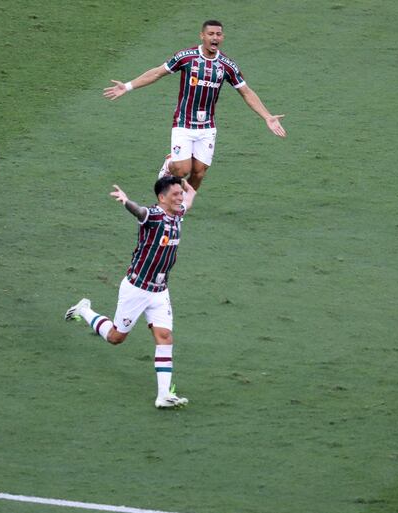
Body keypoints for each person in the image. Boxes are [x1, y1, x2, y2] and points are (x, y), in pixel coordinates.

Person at [103, 19, 286, 191]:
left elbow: (246, 92)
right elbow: (157, 73)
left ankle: (182, 205)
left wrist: (267, 117)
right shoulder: (186, 57)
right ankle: (170, 163)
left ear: (222, 37)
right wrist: (127, 86)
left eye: (218, 34)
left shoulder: (227, 65)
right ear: (202, 36)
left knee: (199, 172)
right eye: (211, 34)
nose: (215, 38)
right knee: (182, 170)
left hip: (207, 126)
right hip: (183, 122)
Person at [65, 176, 197, 409]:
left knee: (165, 337)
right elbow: (139, 211)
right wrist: (126, 201)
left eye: (180, 194)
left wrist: (186, 185)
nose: (180, 198)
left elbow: (191, 197)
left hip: (160, 291)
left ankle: (163, 395)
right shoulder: (153, 216)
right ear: (162, 197)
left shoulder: (178, 213)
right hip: (137, 289)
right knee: (115, 338)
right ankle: (84, 310)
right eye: (175, 194)